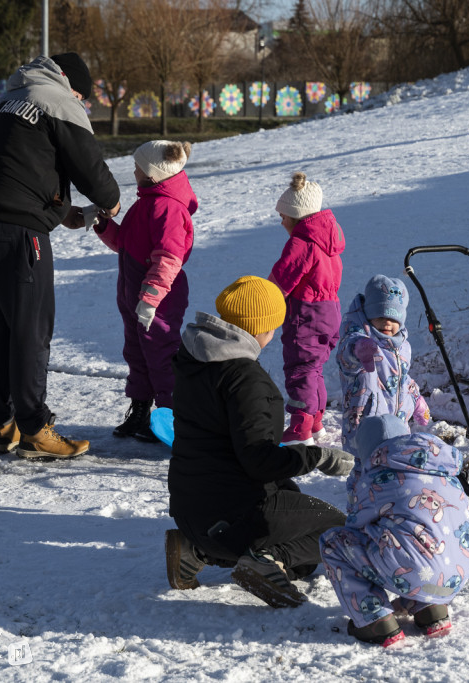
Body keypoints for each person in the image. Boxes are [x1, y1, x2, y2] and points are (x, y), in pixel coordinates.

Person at [0, 52, 121, 460]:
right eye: (83, 96)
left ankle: (1, 425)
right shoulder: (59, 100)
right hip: (17, 234)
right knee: (31, 331)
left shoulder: (7, 100)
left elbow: (17, 165)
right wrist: (111, 202)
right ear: (73, 85)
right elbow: (89, 166)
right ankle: (35, 429)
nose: (82, 104)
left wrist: (61, 211)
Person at [165, 276, 354, 608]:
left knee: (305, 561)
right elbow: (259, 461)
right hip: (235, 511)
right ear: (262, 327)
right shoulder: (245, 379)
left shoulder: (194, 359)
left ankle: (195, 549)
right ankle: (264, 559)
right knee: (339, 529)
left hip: (190, 510)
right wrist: (316, 458)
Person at [320, 415, 469, 647]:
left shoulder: (378, 478)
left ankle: (374, 620)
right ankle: (430, 609)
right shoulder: (447, 475)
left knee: (334, 542)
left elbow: (355, 526)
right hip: (457, 574)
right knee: (418, 542)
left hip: (416, 571)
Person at [90, 140, 196, 442]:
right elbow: (125, 242)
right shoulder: (146, 203)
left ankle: (171, 418)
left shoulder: (169, 209)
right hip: (134, 297)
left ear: (151, 173)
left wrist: (150, 299)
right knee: (136, 354)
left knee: (161, 356)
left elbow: (169, 257)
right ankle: (140, 410)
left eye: (137, 166)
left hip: (159, 300)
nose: (133, 170)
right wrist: (103, 225)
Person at [268, 172, 345, 446]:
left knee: (301, 369)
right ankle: (315, 423)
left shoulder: (302, 243)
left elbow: (281, 279)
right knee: (315, 369)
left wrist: (264, 302)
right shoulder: (328, 242)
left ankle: (300, 430)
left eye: (284, 217)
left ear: (296, 216)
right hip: (329, 312)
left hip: (307, 314)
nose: (281, 222)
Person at [337, 274, 431, 452]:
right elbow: (346, 361)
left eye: (394, 319)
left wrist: (416, 399)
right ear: (368, 315)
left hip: (397, 425)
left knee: (393, 467)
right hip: (365, 427)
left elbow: (403, 377)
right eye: (380, 316)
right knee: (362, 469)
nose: (387, 322)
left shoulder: (403, 346)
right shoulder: (360, 339)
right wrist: (358, 349)